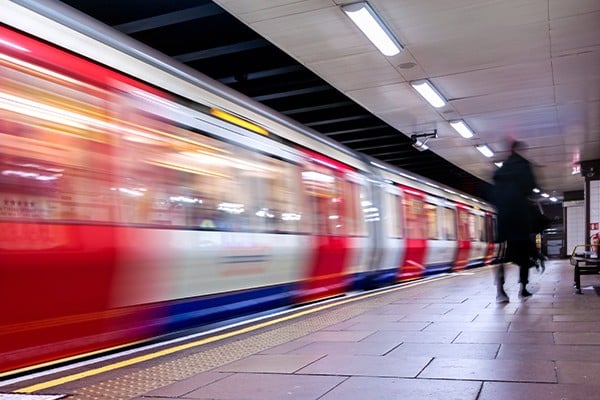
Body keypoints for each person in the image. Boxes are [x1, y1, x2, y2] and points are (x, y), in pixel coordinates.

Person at [492, 139, 537, 302]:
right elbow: (531, 187)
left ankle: (500, 291)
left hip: (504, 220)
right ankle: (523, 288)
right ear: (519, 150)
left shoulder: (501, 170)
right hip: (519, 218)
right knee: (524, 257)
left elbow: (494, 193)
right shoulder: (524, 166)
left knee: (501, 256)